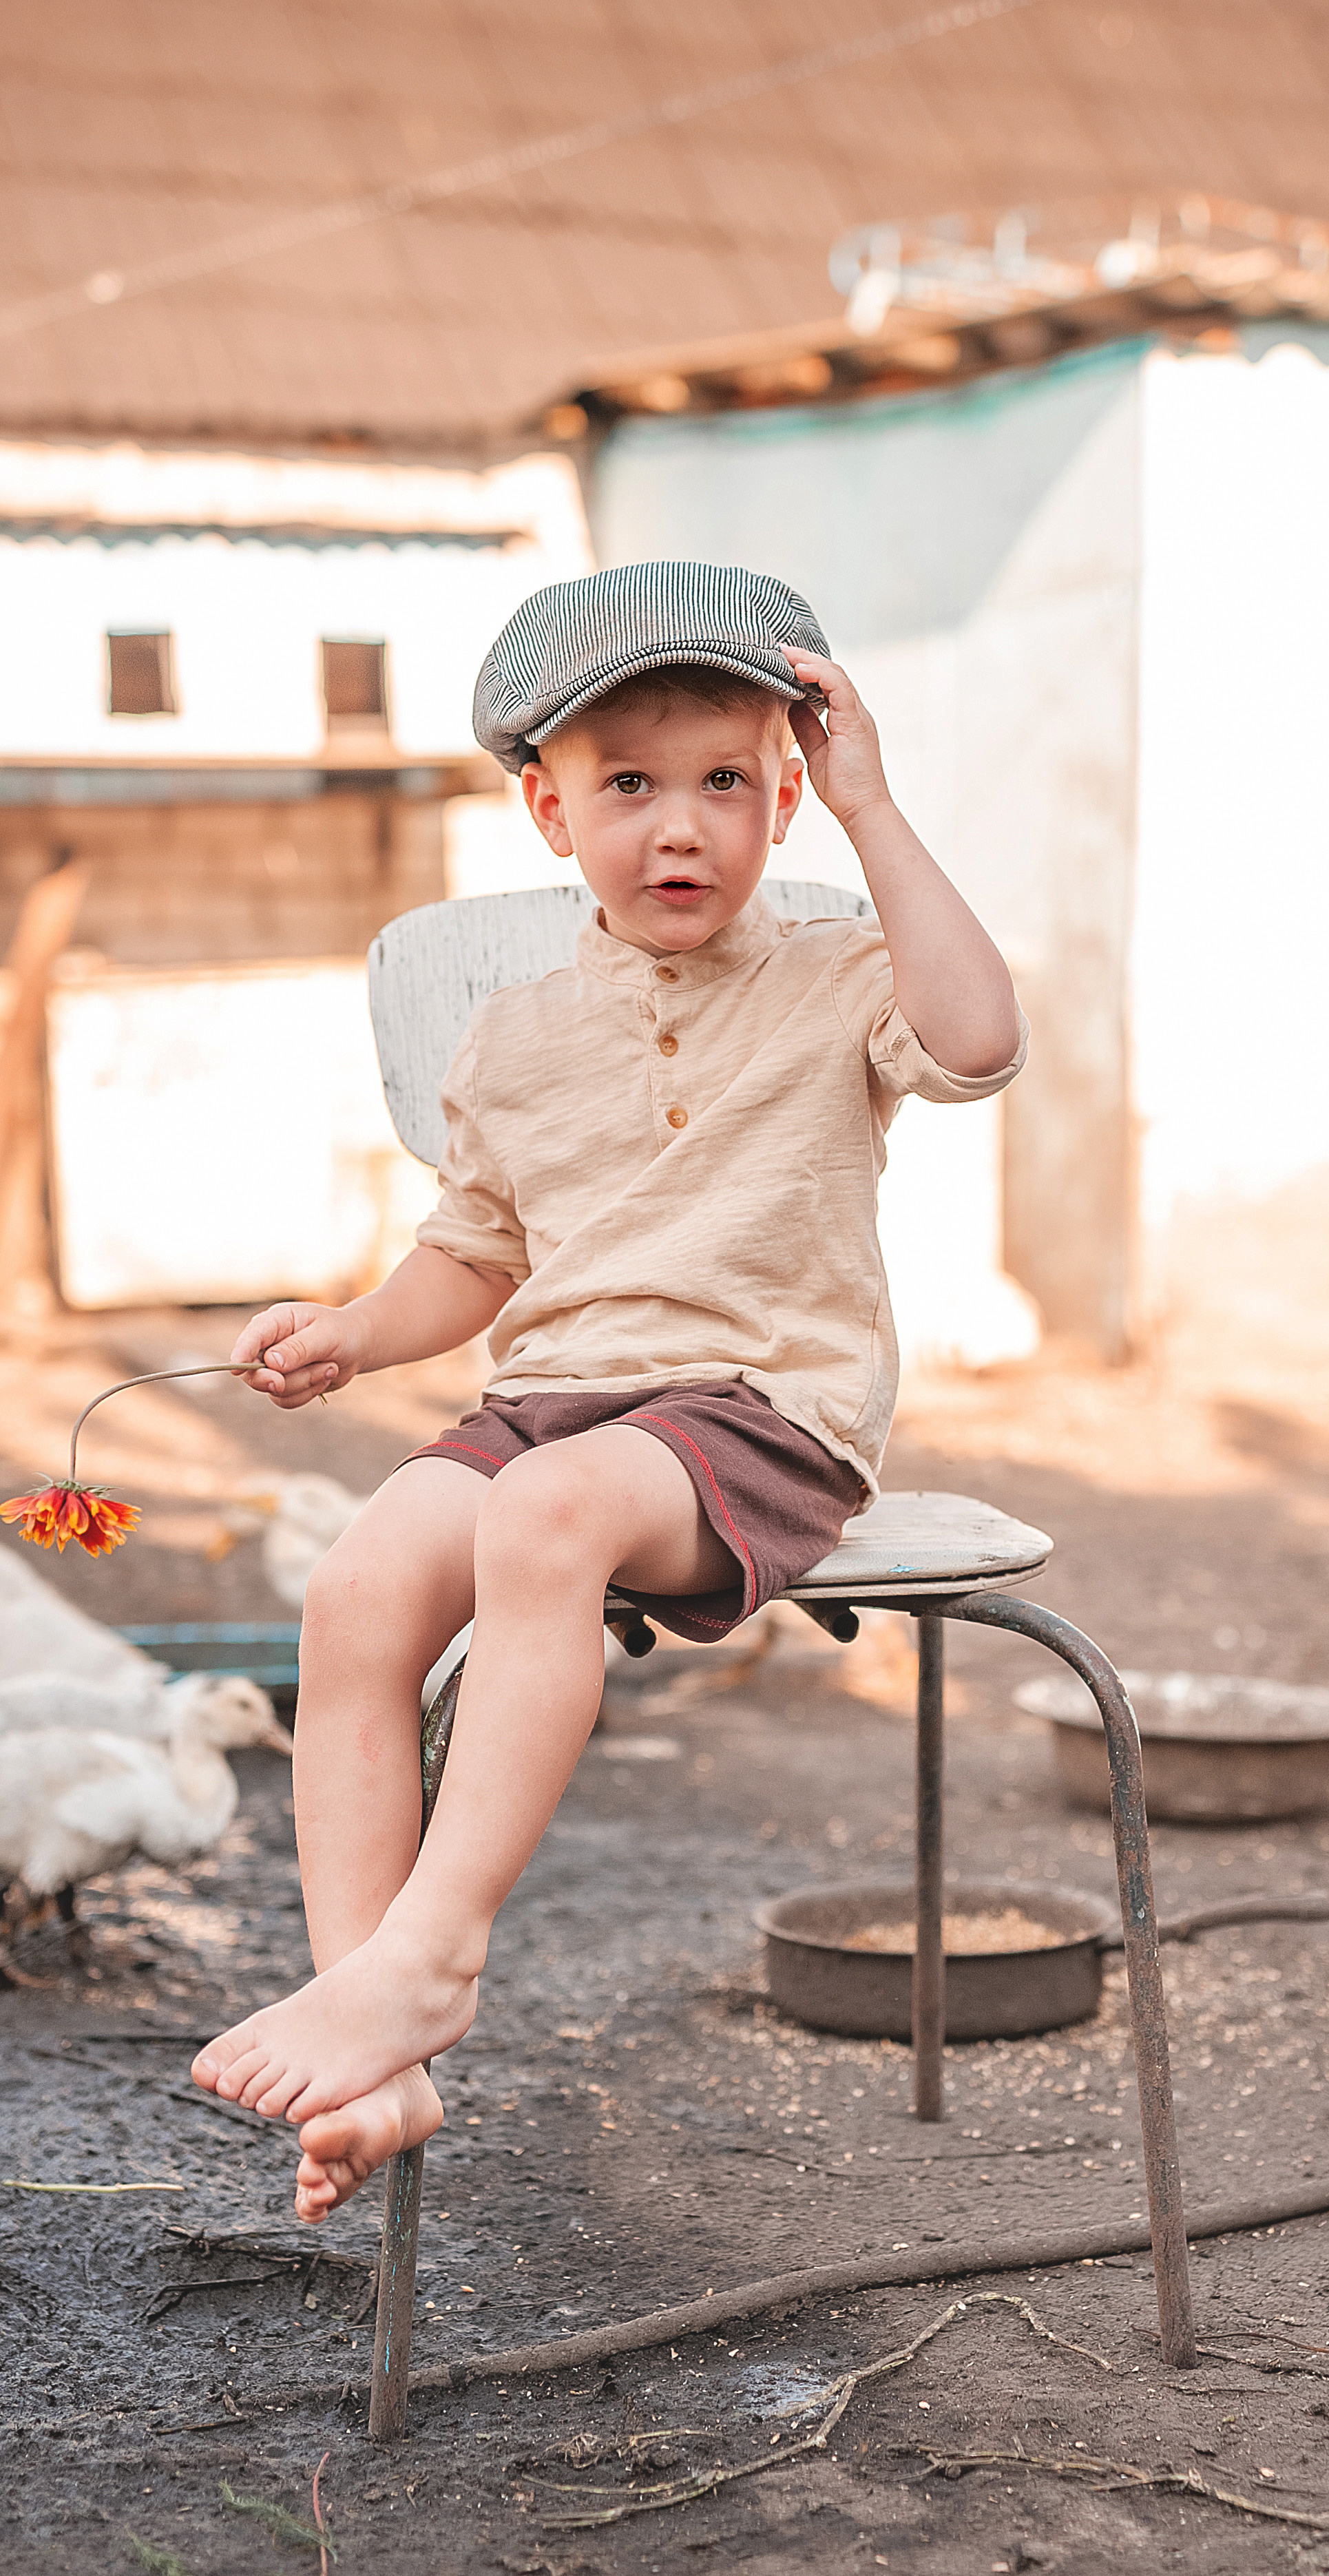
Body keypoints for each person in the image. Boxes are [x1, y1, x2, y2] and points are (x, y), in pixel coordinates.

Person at [190, 562, 1025, 2221]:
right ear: (547, 812)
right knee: (357, 1587)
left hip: (757, 1409)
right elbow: (478, 1255)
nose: (680, 827)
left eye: (727, 781)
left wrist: (873, 812)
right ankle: (378, 2037)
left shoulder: (841, 975)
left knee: (545, 1512)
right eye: (628, 784)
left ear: (784, 799)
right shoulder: (512, 1036)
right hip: (553, 1401)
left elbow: (984, 1040)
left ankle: (435, 1951)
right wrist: (360, 1329)